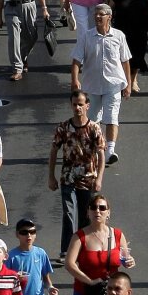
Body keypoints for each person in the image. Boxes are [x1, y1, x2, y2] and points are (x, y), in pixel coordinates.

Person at [69, 5, 131, 161]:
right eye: (95, 15)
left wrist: (128, 84)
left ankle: (110, 150)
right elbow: (76, 59)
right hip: (92, 85)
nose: (97, 17)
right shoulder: (86, 37)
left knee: (111, 117)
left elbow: (125, 61)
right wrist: (75, 79)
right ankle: (93, 147)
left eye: (101, 15)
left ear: (109, 17)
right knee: (92, 119)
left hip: (113, 85)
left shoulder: (119, 36)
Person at [48, 91, 106, 255]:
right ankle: (66, 250)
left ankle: (82, 249)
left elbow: (101, 154)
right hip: (68, 178)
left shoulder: (94, 128)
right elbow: (54, 151)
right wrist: (51, 176)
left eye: (81, 104)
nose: (77, 108)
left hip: (88, 179)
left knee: (86, 216)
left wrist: (99, 177)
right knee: (68, 213)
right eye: (74, 104)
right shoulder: (63, 128)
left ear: (87, 105)